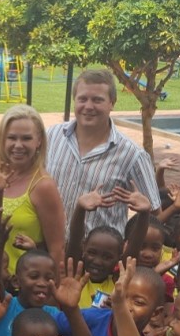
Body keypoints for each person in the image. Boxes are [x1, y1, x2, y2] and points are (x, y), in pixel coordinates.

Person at [46, 70, 161, 236]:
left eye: (97, 100)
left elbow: (154, 213)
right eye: (82, 99)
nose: (88, 106)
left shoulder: (132, 155)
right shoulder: (51, 137)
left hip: (97, 250)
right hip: (49, 246)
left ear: (112, 103)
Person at [0, 105, 67, 273]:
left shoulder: (43, 186)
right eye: (12, 138)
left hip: (21, 283)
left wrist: (55, 287)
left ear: (39, 141)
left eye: (26, 138)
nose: (18, 145)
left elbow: (56, 249)